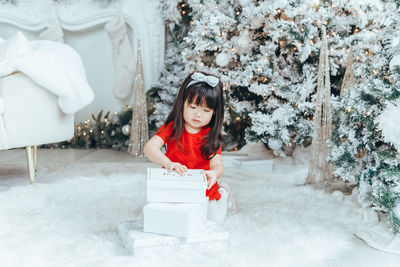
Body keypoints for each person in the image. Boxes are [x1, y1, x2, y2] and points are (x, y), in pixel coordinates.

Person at [144, 71, 237, 223]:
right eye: (193, 107)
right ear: (182, 104)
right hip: (176, 185)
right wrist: (168, 163)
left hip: (203, 187)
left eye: (206, 110)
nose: (198, 115)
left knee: (215, 220)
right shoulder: (173, 128)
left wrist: (214, 174)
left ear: (214, 113)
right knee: (171, 218)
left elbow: (217, 165)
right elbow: (149, 148)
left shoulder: (211, 136)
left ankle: (224, 192)